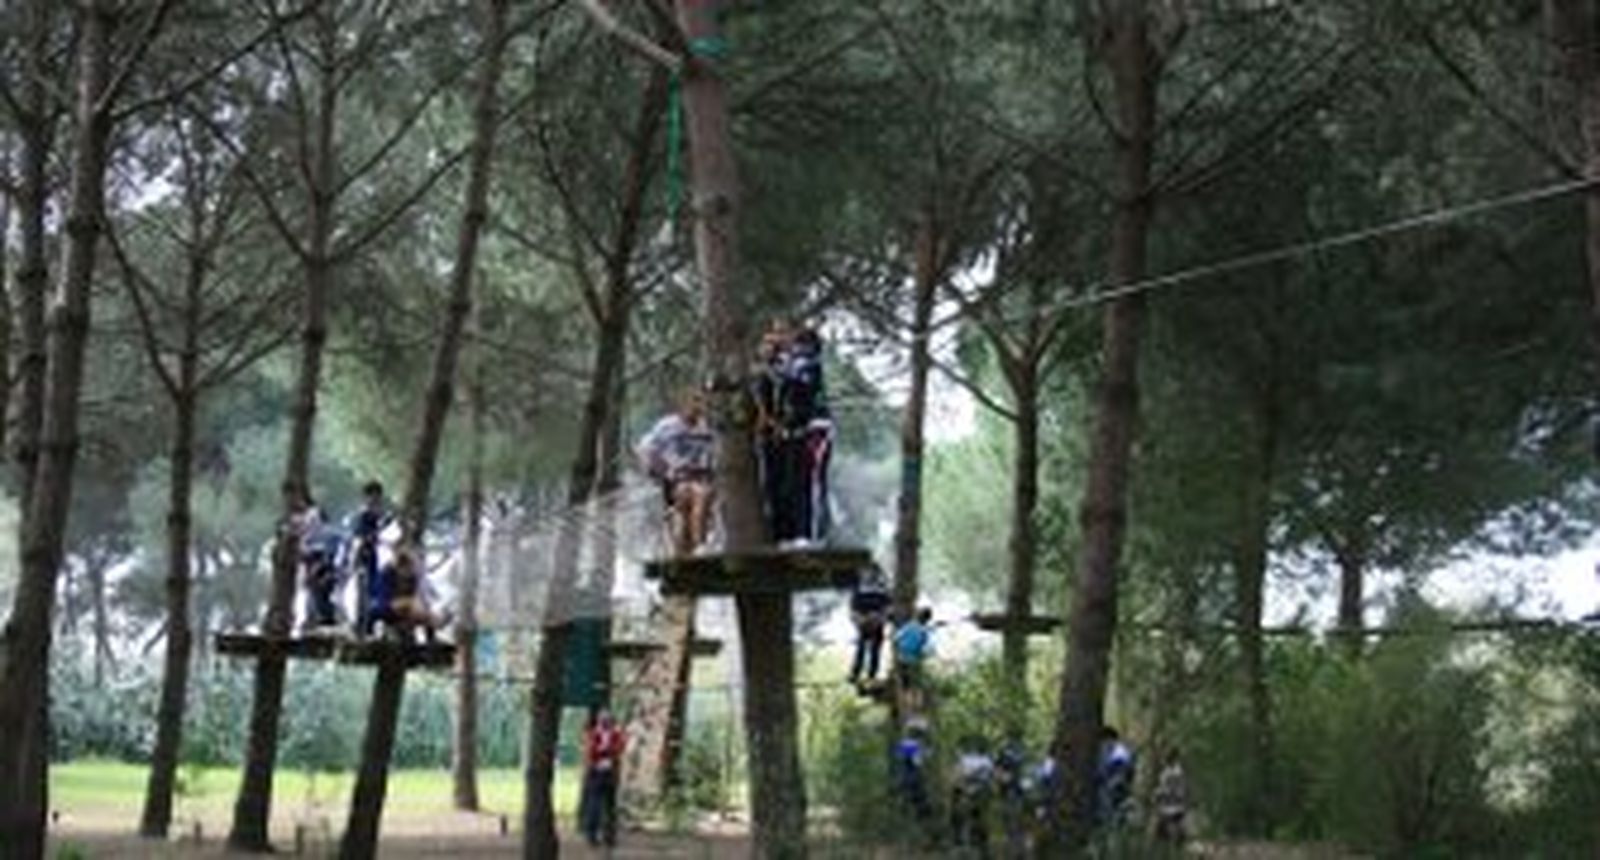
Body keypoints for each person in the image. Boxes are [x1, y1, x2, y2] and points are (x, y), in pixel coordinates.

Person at [637, 389, 717, 556]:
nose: (697, 407)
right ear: (683, 405)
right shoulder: (666, 426)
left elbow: (714, 456)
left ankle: (698, 547)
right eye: (693, 402)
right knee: (694, 496)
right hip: (675, 481)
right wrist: (660, 471)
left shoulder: (707, 429)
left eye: (700, 403)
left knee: (702, 495)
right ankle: (696, 548)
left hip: (701, 478)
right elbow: (645, 449)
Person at [371, 548, 450, 641]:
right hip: (386, 612)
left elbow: (420, 598)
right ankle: (432, 622)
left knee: (424, 611)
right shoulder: (386, 576)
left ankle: (433, 634)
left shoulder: (413, 577)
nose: (409, 575)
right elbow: (383, 605)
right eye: (407, 570)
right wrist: (409, 603)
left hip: (408, 614)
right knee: (417, 608)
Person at [292, 492, 343, 630]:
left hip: (321, 562)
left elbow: (328, 545)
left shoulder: (315, 521)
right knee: (314, 593)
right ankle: (315, 619)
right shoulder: (306, 521)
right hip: (315, 562)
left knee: (320, 593)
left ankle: (322, 620)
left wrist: (322, 563)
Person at [348, 480, 393, 636]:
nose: (375, 500)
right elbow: (360, 537)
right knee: (365, 591)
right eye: (372, 496)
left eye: (377, 497)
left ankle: (372, 624)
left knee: (377, 591)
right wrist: (377, 533)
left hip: (376, 556)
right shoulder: (363, 516)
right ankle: (363, 626)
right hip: (365, 557)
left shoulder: (380, 515)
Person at [580, 709, 627, 847]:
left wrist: (605, 751)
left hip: (609, 773)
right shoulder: (594, 734)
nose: (607, 723)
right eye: (604, 720)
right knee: (595, 805)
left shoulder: (615, 735)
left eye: (608, 720)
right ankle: (592, 835)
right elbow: (590, 752)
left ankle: (609, 836)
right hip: (596, 773)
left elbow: (618, 749)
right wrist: (605, 752)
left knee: (610, 806)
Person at [950, 735, 995, 853]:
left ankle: (963, 842)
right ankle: (969, 842)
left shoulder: (968, 759)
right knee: (967, 816)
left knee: (966, 816)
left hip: (974, 791)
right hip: (972, 791)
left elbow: (957, 776)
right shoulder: (984, 760)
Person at [848, 570, 892, 685]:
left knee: (873, 651)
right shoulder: (859, 590)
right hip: (864, 624)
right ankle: (856, 674)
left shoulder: (883, 589)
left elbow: (889, 609)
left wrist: (879, 619)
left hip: (876, 624)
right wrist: (860, 620)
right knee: (862, 650)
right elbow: (853, 610)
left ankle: (870, 675)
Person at [893, 607, 935, 712]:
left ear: (917, 616)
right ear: (928, 620)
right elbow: (928, 650)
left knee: (904, 685)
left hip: (902, 659)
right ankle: (915, 706)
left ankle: (905, 706)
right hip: (915, 661)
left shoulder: (909, 626)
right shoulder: (925, 632)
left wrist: (899, 650)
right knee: (915, 684)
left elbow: (896, 639)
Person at [893, 718, 934, 824]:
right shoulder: (914, 745)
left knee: (912, 797)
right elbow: (919, 760)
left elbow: (898, 755)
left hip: (905, 774)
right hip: (912, 774)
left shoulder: (906, 743)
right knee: (919, 798)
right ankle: (921, 820)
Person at [1095, 726, 1136, 829]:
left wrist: (1111, 787)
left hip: (1115, 796)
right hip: (1108, 795)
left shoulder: (1119, 753)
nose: (1102, 744)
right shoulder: (1110, 752)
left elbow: (1121, 776)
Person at [1152, 747, 1188, 847]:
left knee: (1172, 829)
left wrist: (1160, 793)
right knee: (1164, 833)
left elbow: (1172, 788)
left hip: (1172, 804)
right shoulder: (1168, 771)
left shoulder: (1175, 772)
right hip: (1168, 804)